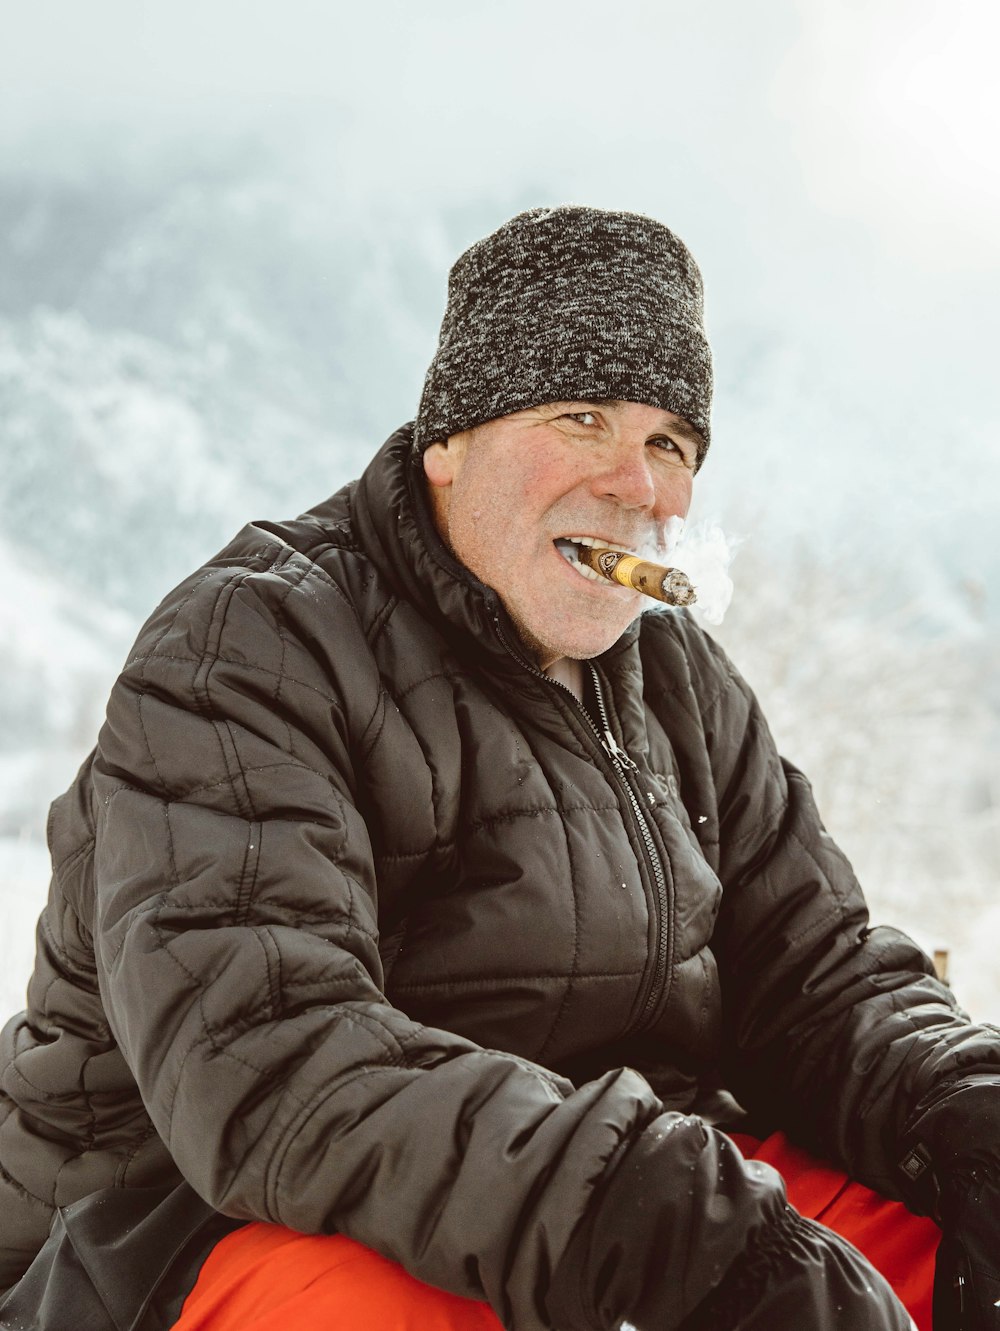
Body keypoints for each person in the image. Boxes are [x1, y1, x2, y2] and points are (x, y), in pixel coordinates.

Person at [0, 205, 998, 1331]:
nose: (640, 485)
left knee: (931, 1260)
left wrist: (961, 1111)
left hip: (610, 1169)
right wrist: (666, 1222)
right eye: (584, 419)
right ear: (450, 439)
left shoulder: (672, 675)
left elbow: (813, 976)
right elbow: (268, 1056)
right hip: (217, 1211)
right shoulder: (251, 647)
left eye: (670, 443)